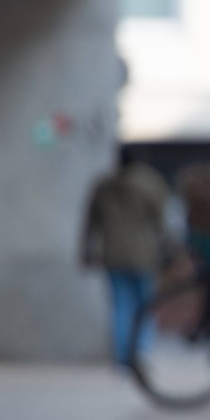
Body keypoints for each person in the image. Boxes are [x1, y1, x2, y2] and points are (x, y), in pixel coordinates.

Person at [82, 146, 171, 366]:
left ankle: (123, 356)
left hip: (112, 253)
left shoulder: (105, 185)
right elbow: (161, 222)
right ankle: (141, 350)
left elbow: (91, 223)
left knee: (121, 306)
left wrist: (87, 251)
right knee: (145, 306)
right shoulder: (150, 182)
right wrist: (168, 249)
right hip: (143, 254)